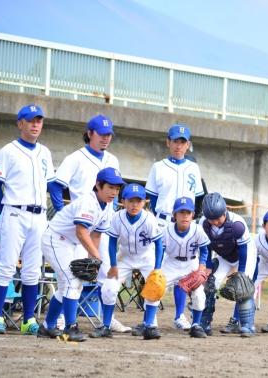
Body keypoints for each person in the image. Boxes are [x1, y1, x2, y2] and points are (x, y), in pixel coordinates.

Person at [48, 114, 130, 333]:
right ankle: (63, 320)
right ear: (90, 134)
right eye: (102, 134)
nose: (106, 138)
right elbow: (56, 186)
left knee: (105, 273)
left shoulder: (112, 160)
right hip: (78, 226)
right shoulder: (75, 158)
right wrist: (63, 211)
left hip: (101, 223)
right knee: (71, 275)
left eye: (109, 135)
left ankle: (107, 320)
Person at [0, 104, 55, 335]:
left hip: (39, 216)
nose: (35, 124)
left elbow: (52, 184)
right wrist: (5, 211)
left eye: (39, 120)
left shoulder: (45, 152)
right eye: (30, 120)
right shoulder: (8, 150)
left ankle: (28, 320)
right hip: (14, 212)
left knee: (32, 270)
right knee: (6, 267)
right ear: (20, 123)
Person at [37, 168, 125, 341]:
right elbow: (81, 232)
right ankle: (71, 327)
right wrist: (96, 256)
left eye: (117, 188)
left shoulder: (107, 208)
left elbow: (95, 235)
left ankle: (47, 327)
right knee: (73, 281)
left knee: (66, 287)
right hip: (55, 239)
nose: (114, 192)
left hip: (71, 243)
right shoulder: (88, 202)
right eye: (110, 187)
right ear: (98, 185)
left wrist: (91, 258)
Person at [143, 124, 204, 333]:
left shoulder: (193, 168)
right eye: (175, 141)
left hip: (185, 223)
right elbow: (151, 195)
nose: (179, 145)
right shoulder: (158, 167)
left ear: (188, 145)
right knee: (157, 274)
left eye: (183, 142)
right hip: (163, 222)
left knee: (187, 272)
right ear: (168, 142)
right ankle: (149, 321)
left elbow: (197, 197)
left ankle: (179, 316)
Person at [88, 183, 164, 340]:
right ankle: (106, 326)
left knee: (155, 286)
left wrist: (157, 268)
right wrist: (113, 265)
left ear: (145, 202)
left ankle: (149, 325)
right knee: (108, 288)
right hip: (124, 257)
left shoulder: (149, 219)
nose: (134, 204)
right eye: (130, 200)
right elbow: (111, 241)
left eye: (138, 201)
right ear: (123, 201)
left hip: (146, 256)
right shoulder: (117, 217)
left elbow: (158, 244)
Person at [199, 192, 257, 337]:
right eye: (211, 219)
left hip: (245, 254)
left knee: (244, 286)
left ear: (225, 211)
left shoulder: (237, 223)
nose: (215, 222)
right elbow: (204, 247)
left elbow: (243, 249)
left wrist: (241, 273)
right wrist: (207, 267)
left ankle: (247, 325)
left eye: (218, 218)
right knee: (210, 284)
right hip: (225, 256)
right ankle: (204, 323)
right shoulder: (203, 223)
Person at [159, 197, 211, 338]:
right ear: (174, 214)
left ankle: (196, 324)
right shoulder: (166, 230)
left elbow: (205, 249)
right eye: (181, 212)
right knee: (155, 288)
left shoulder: (197, 230)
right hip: (171, 263)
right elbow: (160, 250)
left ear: (193, 214)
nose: (185, 216)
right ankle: (149, 323)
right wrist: (157, 268)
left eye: (188, 212)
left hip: (191, 264)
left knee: (199, 294)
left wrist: (201, 268)